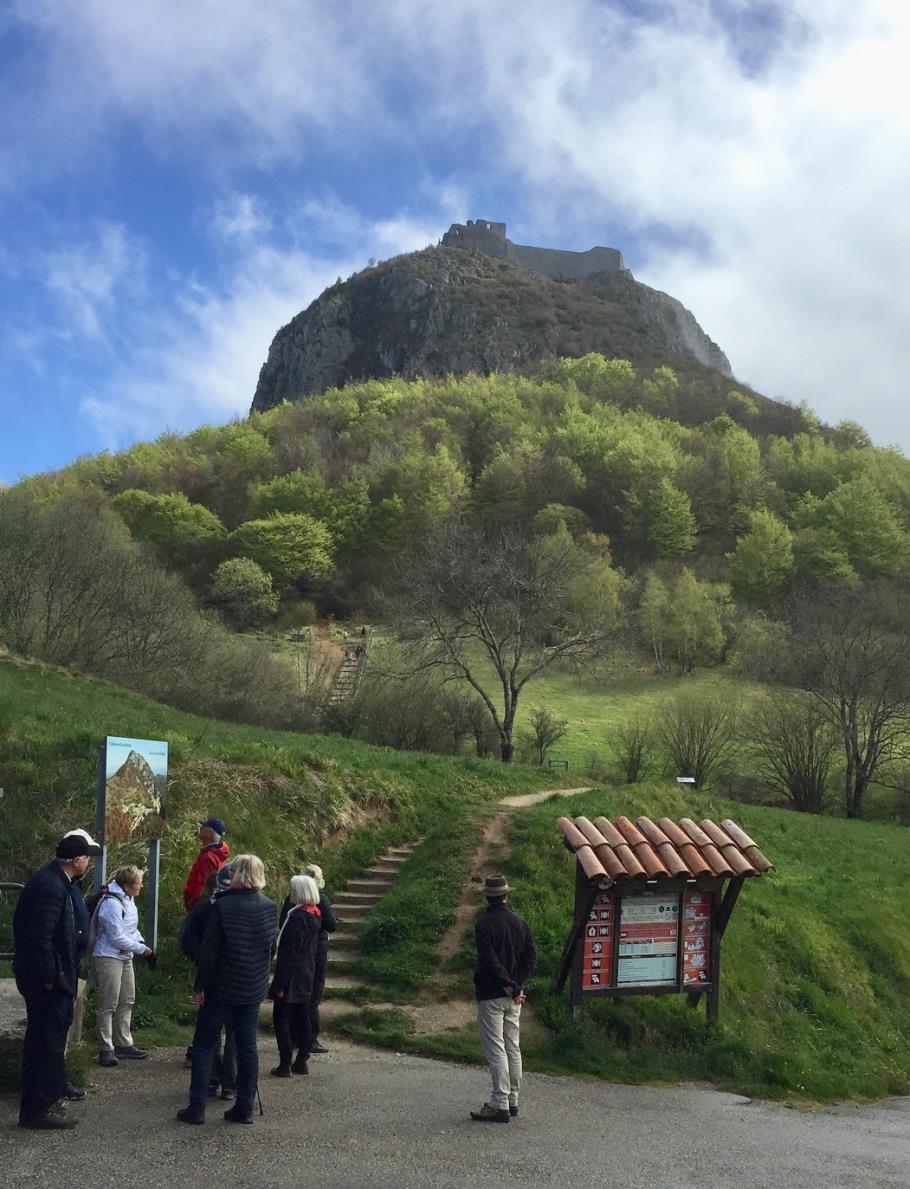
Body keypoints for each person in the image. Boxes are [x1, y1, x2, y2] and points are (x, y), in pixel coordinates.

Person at [177, 854, 276, 1126]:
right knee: (247, 1046)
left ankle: (197, 1106)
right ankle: (244, 1107)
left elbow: (209, 953)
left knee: (205, 1044)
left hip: (221, 986)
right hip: (252, 987)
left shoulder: (222, 906)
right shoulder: (269, 907)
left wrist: (199, 987)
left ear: (235, 875)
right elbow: (271, 949)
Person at [12, 829, 101, 1129]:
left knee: (47, 1040)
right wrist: (53, 979)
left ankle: (45, 1099)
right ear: (77, 860)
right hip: (47, 981)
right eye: (86, 857)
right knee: (45, 1043)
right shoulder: (52, 887)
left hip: (52, 975)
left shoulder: (54, 881)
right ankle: (38, 1108)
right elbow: (40, 939)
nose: (88, 862)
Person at [470, 874, 537, 1124]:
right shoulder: (520, 922)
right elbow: (531, 955)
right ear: (506, 895)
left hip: (491, 993)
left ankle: (499, 1102)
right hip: (514, 997)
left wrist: (507, 984)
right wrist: (517, 985)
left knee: (496, 1047)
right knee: (512, 1046)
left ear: (488, 897)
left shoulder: (483, 925)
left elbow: (489, 960)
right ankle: (513, 1100)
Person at [179, 864, 237, 1100]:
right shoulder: (244, 908)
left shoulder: (204, 908)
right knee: (232, 1035)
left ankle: (213, 1082)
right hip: (238, 979)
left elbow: (186, 939)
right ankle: (229, 1083)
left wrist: (200, 959)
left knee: (210, 1035)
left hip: (213, 978)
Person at [92, 864, 153, 1067]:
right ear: (127, 885)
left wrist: (141, 942)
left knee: (127, 999)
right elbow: (116, 936)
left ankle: (123, 1043)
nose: (141, 886)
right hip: (108, 956)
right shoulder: (112, 904)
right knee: (109, 1003)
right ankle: (105, 1048)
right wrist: (141, 950)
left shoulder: (128, 900)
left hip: (125, 956)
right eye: (138, 882)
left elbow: (130, 929)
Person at [278, 862, 336, 1054]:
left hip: (295, 956)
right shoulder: (321, 899)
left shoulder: (292, 901)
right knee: (312, 995)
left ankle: (296, 1037)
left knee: (293, 996)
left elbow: (282, 922)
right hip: (316, 952)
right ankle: (309, 1039)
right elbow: (331, 925)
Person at [270, 874, 322, 1077]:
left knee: (281, 1018)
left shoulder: (296, 918)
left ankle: (285, 1062)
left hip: (291, 976)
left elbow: (289, 953)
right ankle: (302, 1058)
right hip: (307, 973)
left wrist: (280, 983)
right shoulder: (315, 915)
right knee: (303, 1017)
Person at [183, 817, 230, 912]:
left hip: (200, 908)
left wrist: (194, 908)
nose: (200, 828)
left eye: (203, 827)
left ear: (209, 833)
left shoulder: (207, 857)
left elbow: (202, 886)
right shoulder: (218, 854)